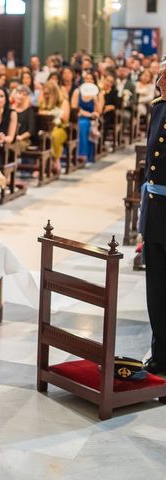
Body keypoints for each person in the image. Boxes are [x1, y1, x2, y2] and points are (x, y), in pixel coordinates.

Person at [140, 60, 166, 375]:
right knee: (156, 287)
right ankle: (161, 354)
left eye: (161, 73)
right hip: (156, 213)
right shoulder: (158, 108)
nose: (158, 78)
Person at [38, 80, 70, 173]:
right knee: (41, 136)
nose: (46, 96)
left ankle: (55, 161)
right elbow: (40, 114)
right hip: (45, 128)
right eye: (45, 94)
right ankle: (42, 164)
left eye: (48, 94)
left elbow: (64, 118)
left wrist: (50, 114)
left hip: (60, 128)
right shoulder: (43, 102)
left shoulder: (63, 102)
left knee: (54, 136)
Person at [71, 71, 103, 163]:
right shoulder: (77, 91)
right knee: (81, 123)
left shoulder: (98, 93)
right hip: (79, 116)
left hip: (92, 120)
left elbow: (99, 111)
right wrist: (86, 114)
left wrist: (95, 100)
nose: (88, 81)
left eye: (91, 79)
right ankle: (78, 155)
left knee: (84, 124)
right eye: (86, 79)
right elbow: (74, 107)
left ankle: (84, 155)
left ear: (94, 81)